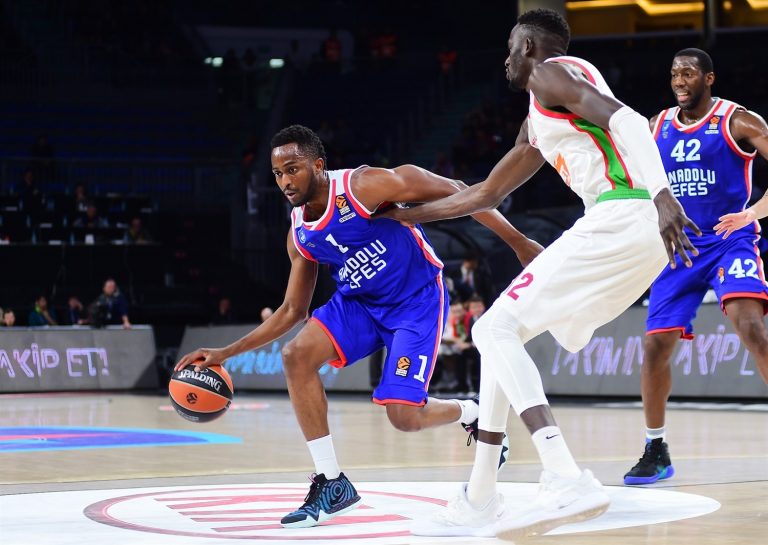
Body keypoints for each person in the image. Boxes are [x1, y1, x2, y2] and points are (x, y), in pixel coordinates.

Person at [383, 9, 699, 540]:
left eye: (511, 46)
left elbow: (624, 120)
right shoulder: (539, 115)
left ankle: (563, 473)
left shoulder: (552, 72)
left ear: (529, 45)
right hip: (637, 232)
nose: (506, 57)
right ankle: (481, 496)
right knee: (505, 338)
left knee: (492, 329)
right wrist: (404, 217)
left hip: (627, 215)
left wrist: (664, 195)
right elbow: (484, 193)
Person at [175, 124, 542, 529]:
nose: (284, 181)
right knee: (296, 355)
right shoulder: (299, 234)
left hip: (414, 300)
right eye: (278, 174)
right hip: (359, 304)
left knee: (403, 417)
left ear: (317, 165)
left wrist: (518, 242)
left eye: (293, 169)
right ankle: (331, 481)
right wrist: (226, 352)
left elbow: (456, 187)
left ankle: (468, 411)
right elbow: (293, 311)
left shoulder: (364, 186)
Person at [623, 48, 768, 486]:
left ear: (709, 78)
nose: (679, 80)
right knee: (654, 348)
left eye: (688, 73)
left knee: (751, 327)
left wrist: (755, 212)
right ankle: (655, 448)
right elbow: (633, 181)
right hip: (677, 250)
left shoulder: (739, 121)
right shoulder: (656, 126)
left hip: (728, 239)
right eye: (673, 74)